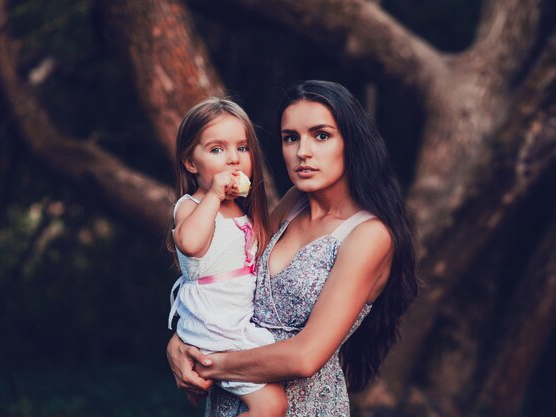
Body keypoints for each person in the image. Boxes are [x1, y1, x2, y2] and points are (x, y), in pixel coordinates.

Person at [167, 81, 418, 416]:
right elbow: (223, 272)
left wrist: (208, 362)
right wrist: (180, 342)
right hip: (233, 400)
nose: (303, 152)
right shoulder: (293, 203)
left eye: (322, 135)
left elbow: (305, 357)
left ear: (351, 143)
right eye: (291, 138)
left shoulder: (368, 235)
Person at [167, 97, 287, 417]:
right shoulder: (191, 206)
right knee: (272, 405)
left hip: (235, 326)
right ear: (191, 163)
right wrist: (214, 195)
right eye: (217, 150)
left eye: (242, 148)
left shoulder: (243, 212)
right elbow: (191, 243)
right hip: (215, 329)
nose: (233, 159)